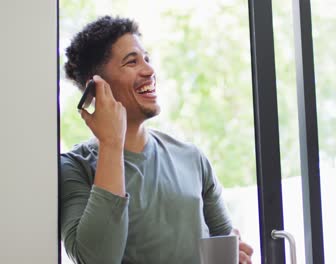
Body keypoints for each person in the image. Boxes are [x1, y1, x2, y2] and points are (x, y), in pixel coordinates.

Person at [60, 15, 253, 264]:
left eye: (147, 59)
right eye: (132, 62)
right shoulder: (74, 168)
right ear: (97, 87)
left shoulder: (192, 158)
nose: (150, 70)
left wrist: (237, 257)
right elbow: (97, 260)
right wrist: (111, 144)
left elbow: (225, 245)